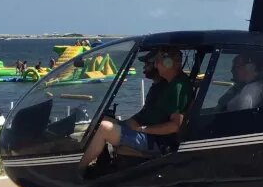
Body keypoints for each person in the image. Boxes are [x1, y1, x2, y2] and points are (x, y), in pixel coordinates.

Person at [78, 45, 193, 177]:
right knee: (102, 121)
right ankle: (98, 167)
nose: (155, 65)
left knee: (104, 128)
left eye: (157, 61)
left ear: (168, 63)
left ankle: (78, 173)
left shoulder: (179, 87)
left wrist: (142, 129)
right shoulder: (169, 85)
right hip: (149, 135)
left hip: (157, 142)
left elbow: (175, 126)